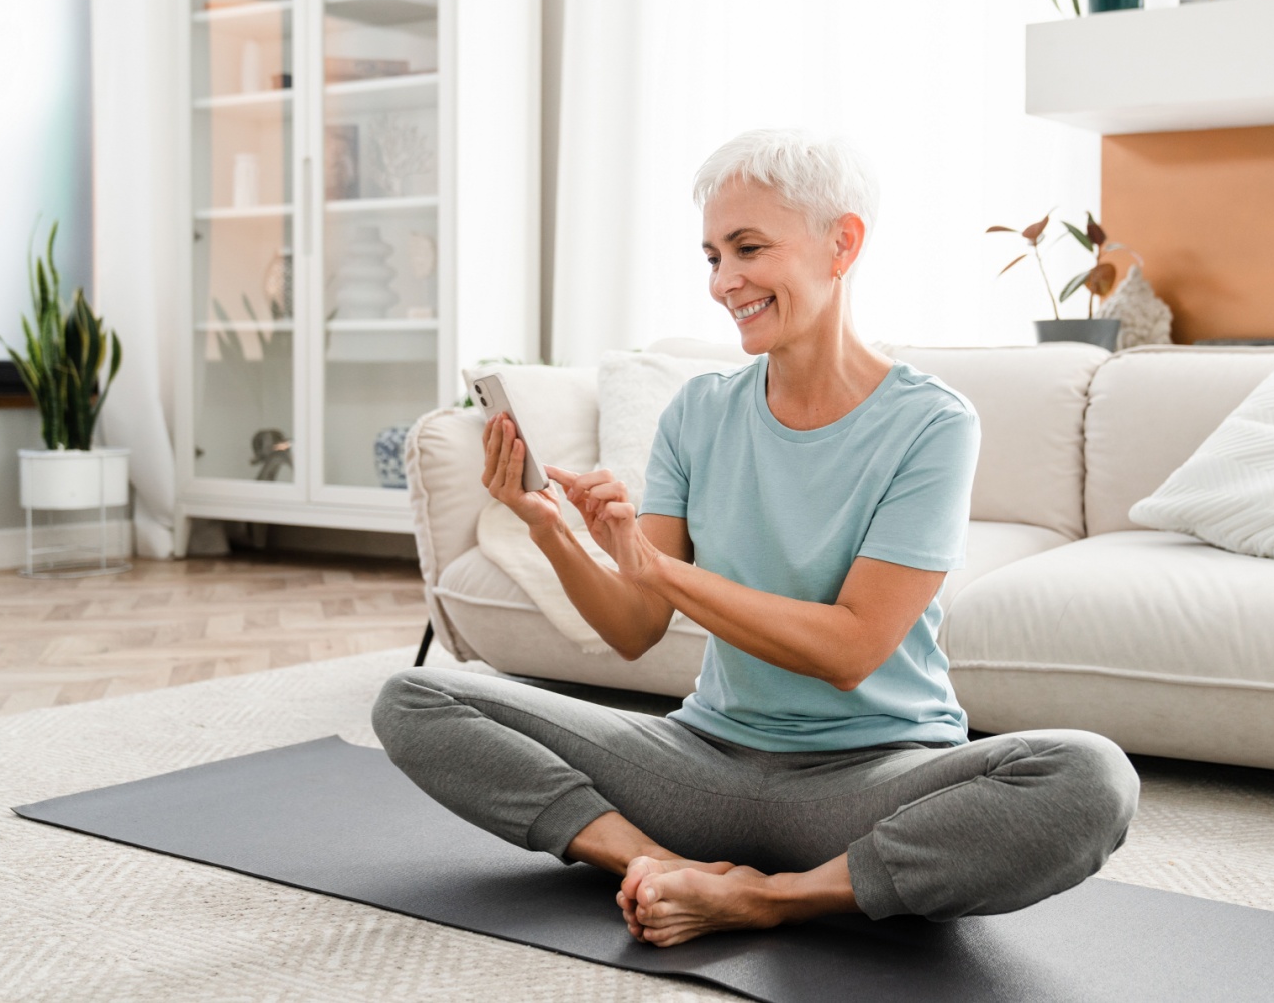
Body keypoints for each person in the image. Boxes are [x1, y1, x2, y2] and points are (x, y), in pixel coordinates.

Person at [374, 128, 1139, 948]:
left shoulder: (931, 424)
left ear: (841, 243)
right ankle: (660, 864)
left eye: (748, 248)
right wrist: (556, 533)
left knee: (1091, 778)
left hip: (873, 776)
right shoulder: (698, 413)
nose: (723, 282)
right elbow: (633, 633)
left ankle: (776, 899)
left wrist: (656, 570)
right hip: (702, 764)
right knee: (414, 698)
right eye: (711, 256)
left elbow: (849, 650)